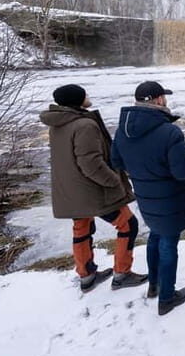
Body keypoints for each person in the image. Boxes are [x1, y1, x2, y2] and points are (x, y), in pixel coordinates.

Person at [39, 84, 148, 294]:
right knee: (128, 225)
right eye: (85, 94)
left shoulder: (58, 123)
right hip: (92, 190)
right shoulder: (84, 125)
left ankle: (86, 275)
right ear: (78, 100)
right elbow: (90, 163)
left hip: (71, 190)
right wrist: (114, 180)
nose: (88, 97)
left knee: (82, 229)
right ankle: (122, 273)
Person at [111, 81, 185, 316]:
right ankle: (167, 298)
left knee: (154, 236)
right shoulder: (169, 132)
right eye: (164, 97)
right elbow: (184, 170)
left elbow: (116, 161)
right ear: (158, 100)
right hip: (171, 200)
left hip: (145, 197)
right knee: (168, 243)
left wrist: (140, 171)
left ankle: (154, 286)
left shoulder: (122, 130)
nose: (166, 101)